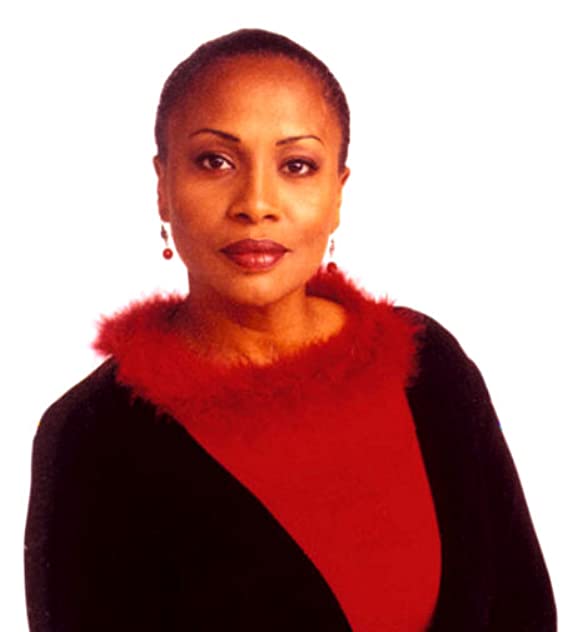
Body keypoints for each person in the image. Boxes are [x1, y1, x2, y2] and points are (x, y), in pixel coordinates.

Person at [24, 28, 556, 631]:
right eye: (215, 161)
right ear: (163, 188)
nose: (256, 202)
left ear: (337, 193)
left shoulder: (428, 364)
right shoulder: (90, 436)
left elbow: (526, 611)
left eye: (297, 165)